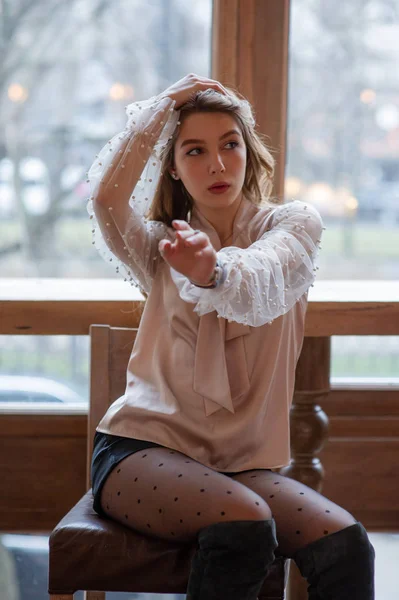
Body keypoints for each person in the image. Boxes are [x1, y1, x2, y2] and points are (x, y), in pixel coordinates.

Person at [87, 73, 375, 599]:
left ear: (249, 151)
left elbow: (257, 275)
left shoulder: (293, 228)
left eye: (229, 145)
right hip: (141, 453)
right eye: (194, 151)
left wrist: (210, 272)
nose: (217, 164)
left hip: (239, 467)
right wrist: (162, 107)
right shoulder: (159, 246)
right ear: (173, 168)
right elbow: (107, 199)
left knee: (348, 544)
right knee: (245, 526)